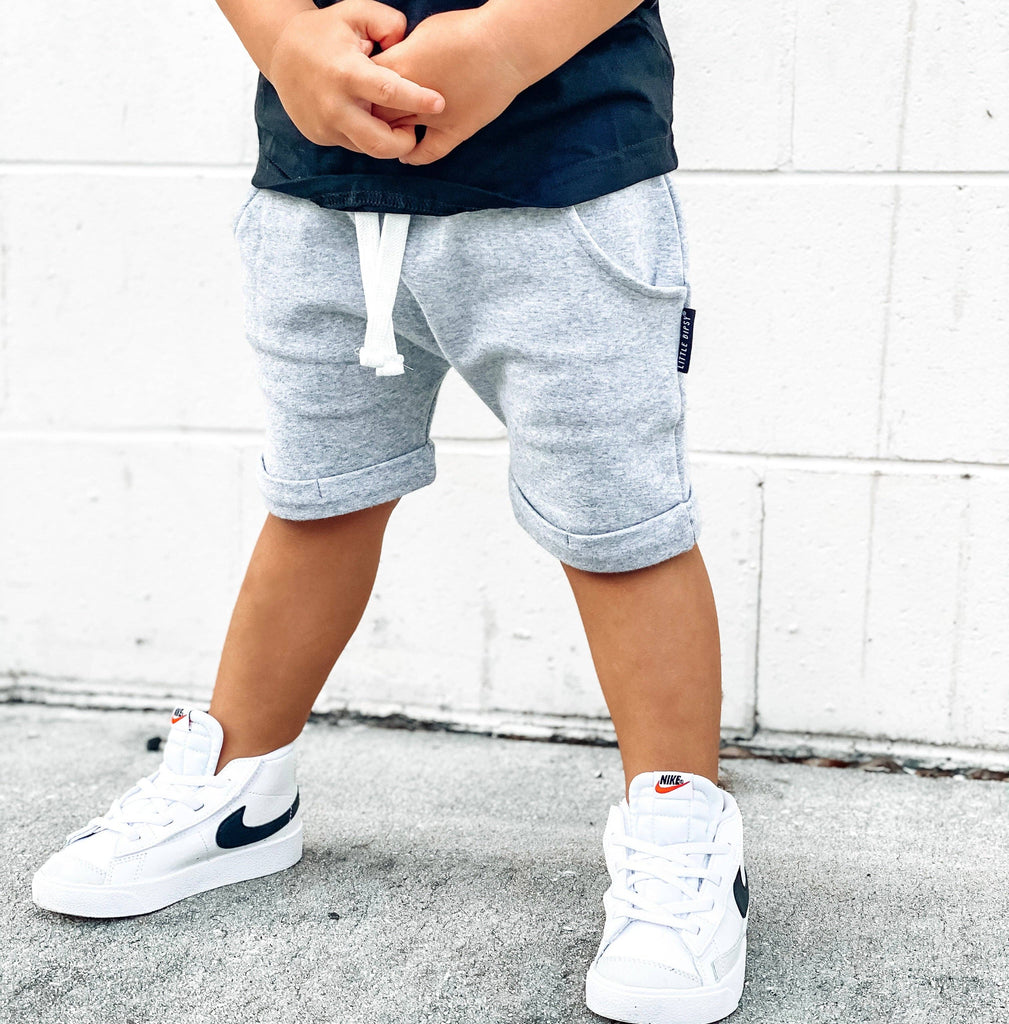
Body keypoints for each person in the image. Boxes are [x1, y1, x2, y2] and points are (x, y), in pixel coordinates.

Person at [31, 1, 749, 1020]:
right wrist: (284, 39)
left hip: (565, 182)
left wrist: (506, 43)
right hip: (315, 196)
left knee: (619, 526)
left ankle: (680, 834)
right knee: (316, 496)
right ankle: (241, 791)